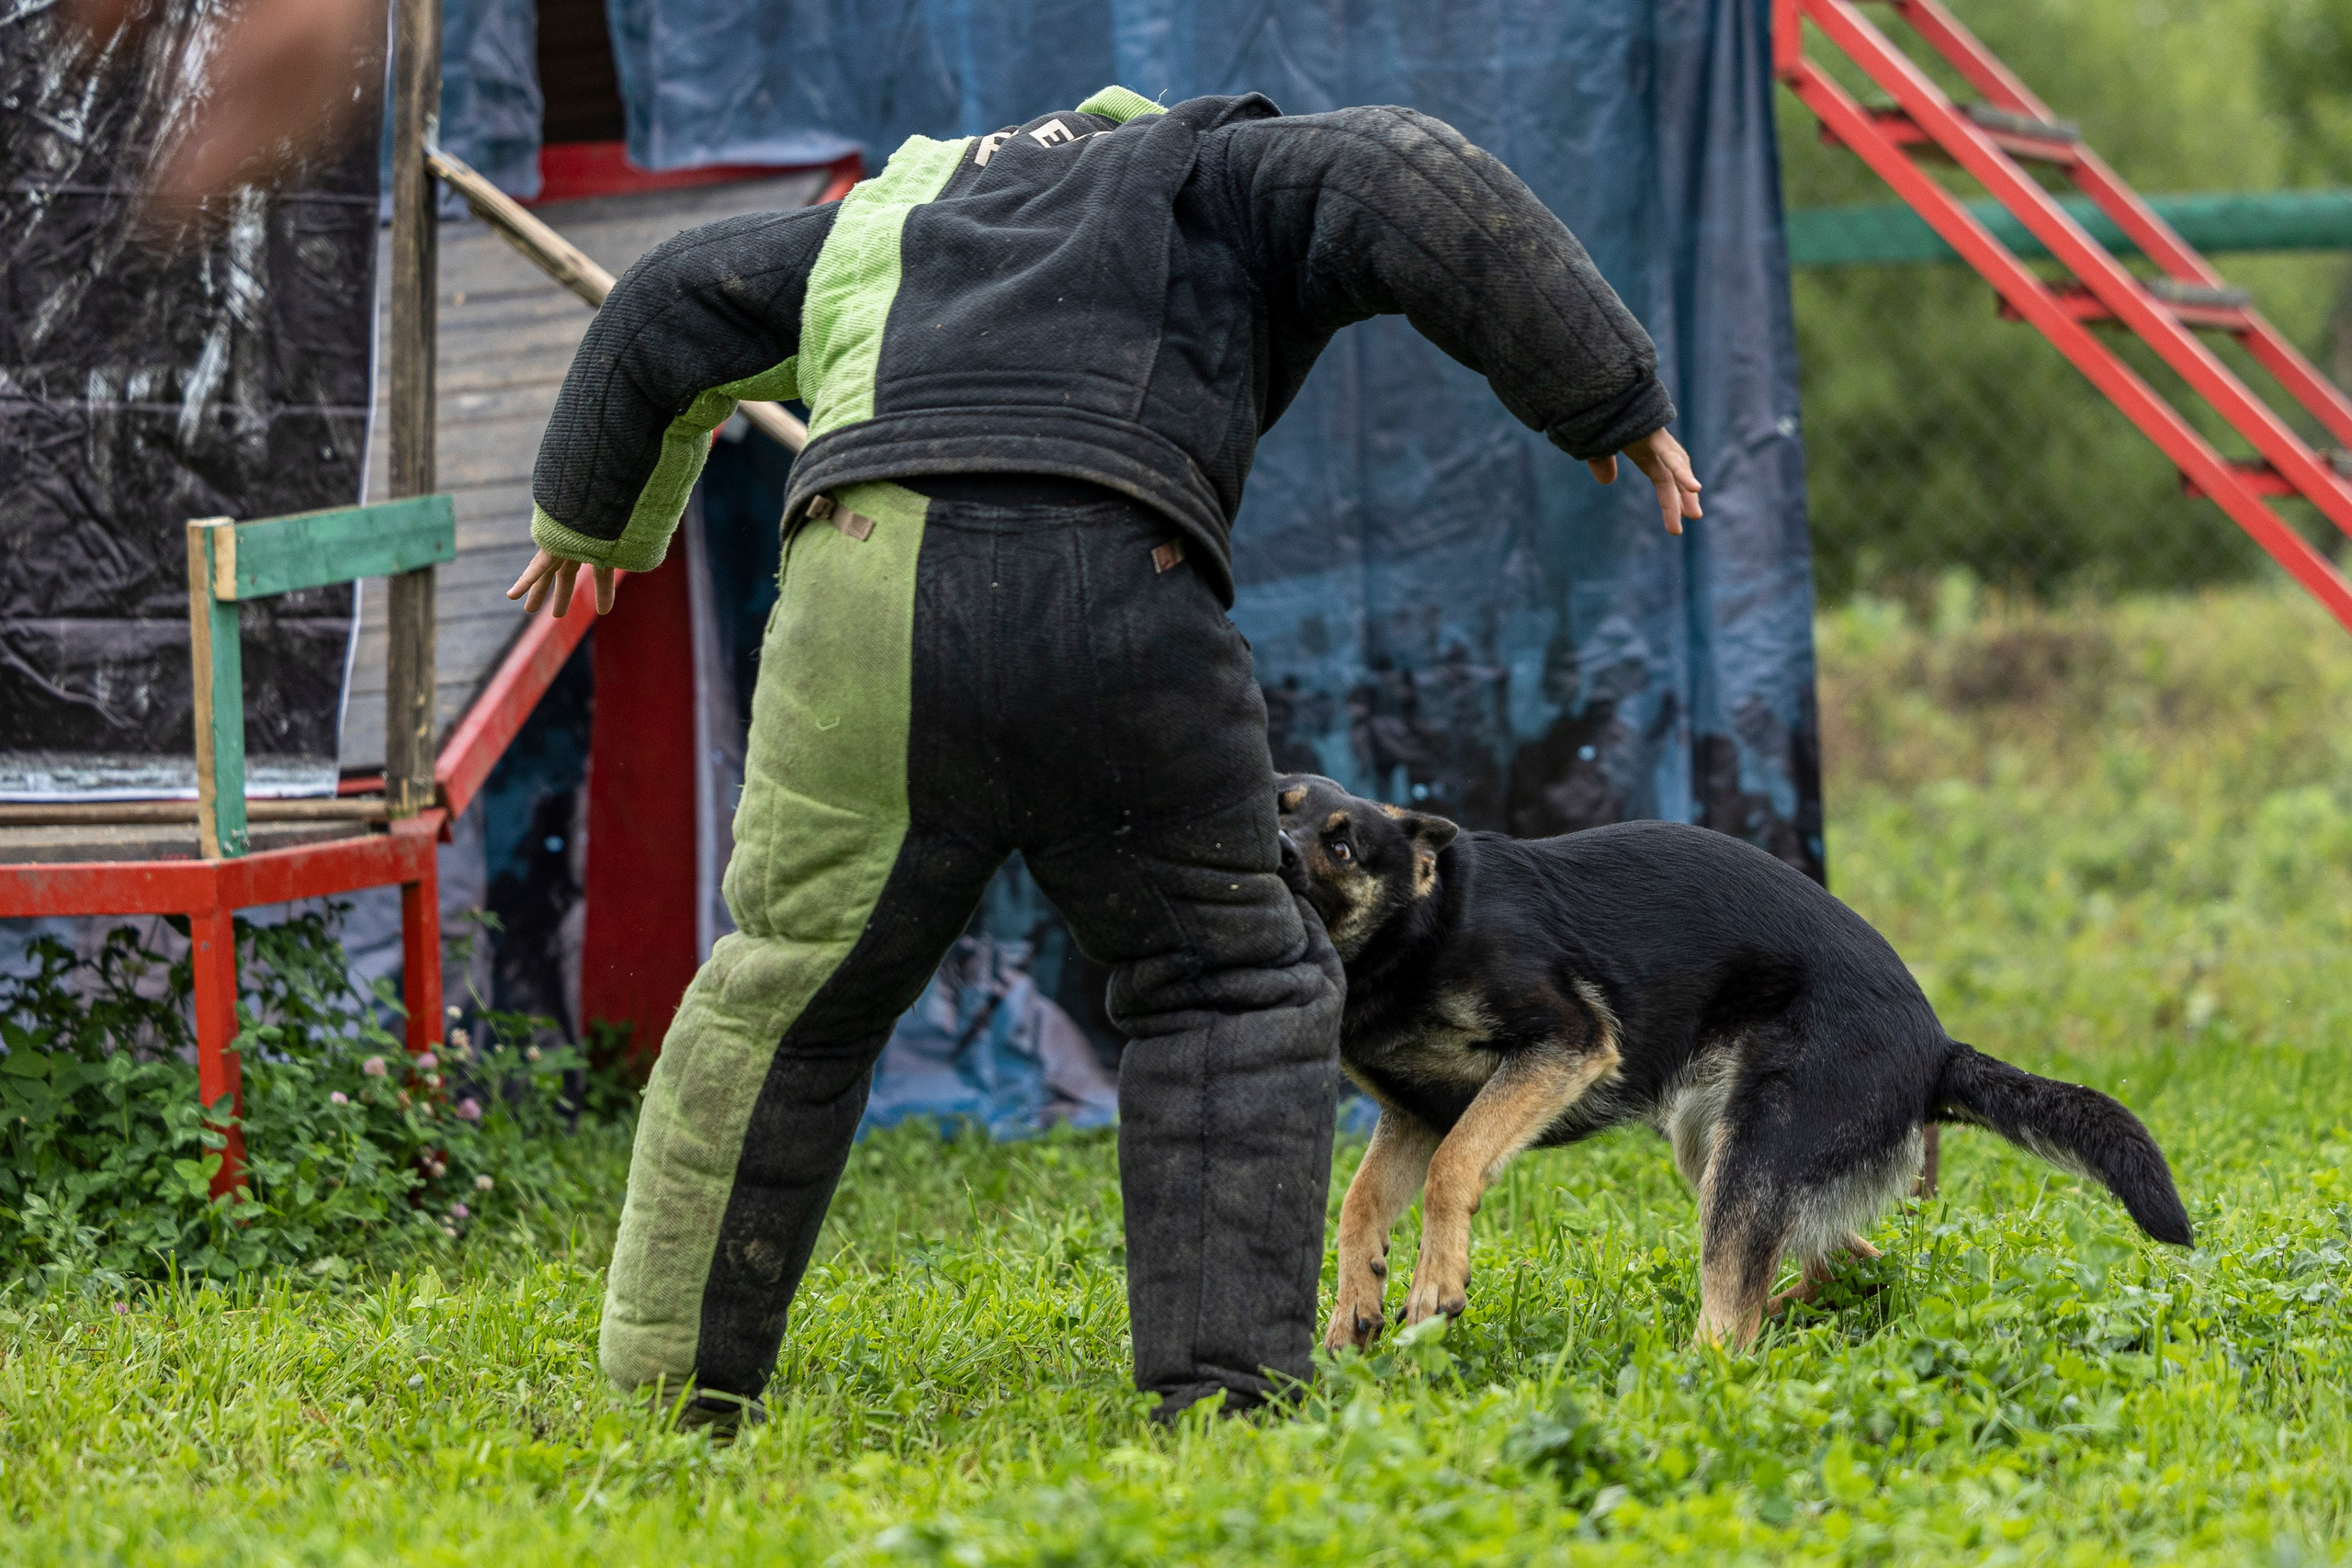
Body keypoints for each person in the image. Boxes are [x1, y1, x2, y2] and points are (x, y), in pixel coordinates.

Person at [509, 85, 1702, 1428]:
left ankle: (673, 1395)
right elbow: (1407, 170)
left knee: (784, 991)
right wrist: (1610, 396)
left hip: (863, 599)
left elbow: (667, 300)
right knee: (1229, 984)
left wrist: (590, 520)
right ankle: (1223, 1392)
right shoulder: (1218, 174)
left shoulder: (893, 216)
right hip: (1120, 589)